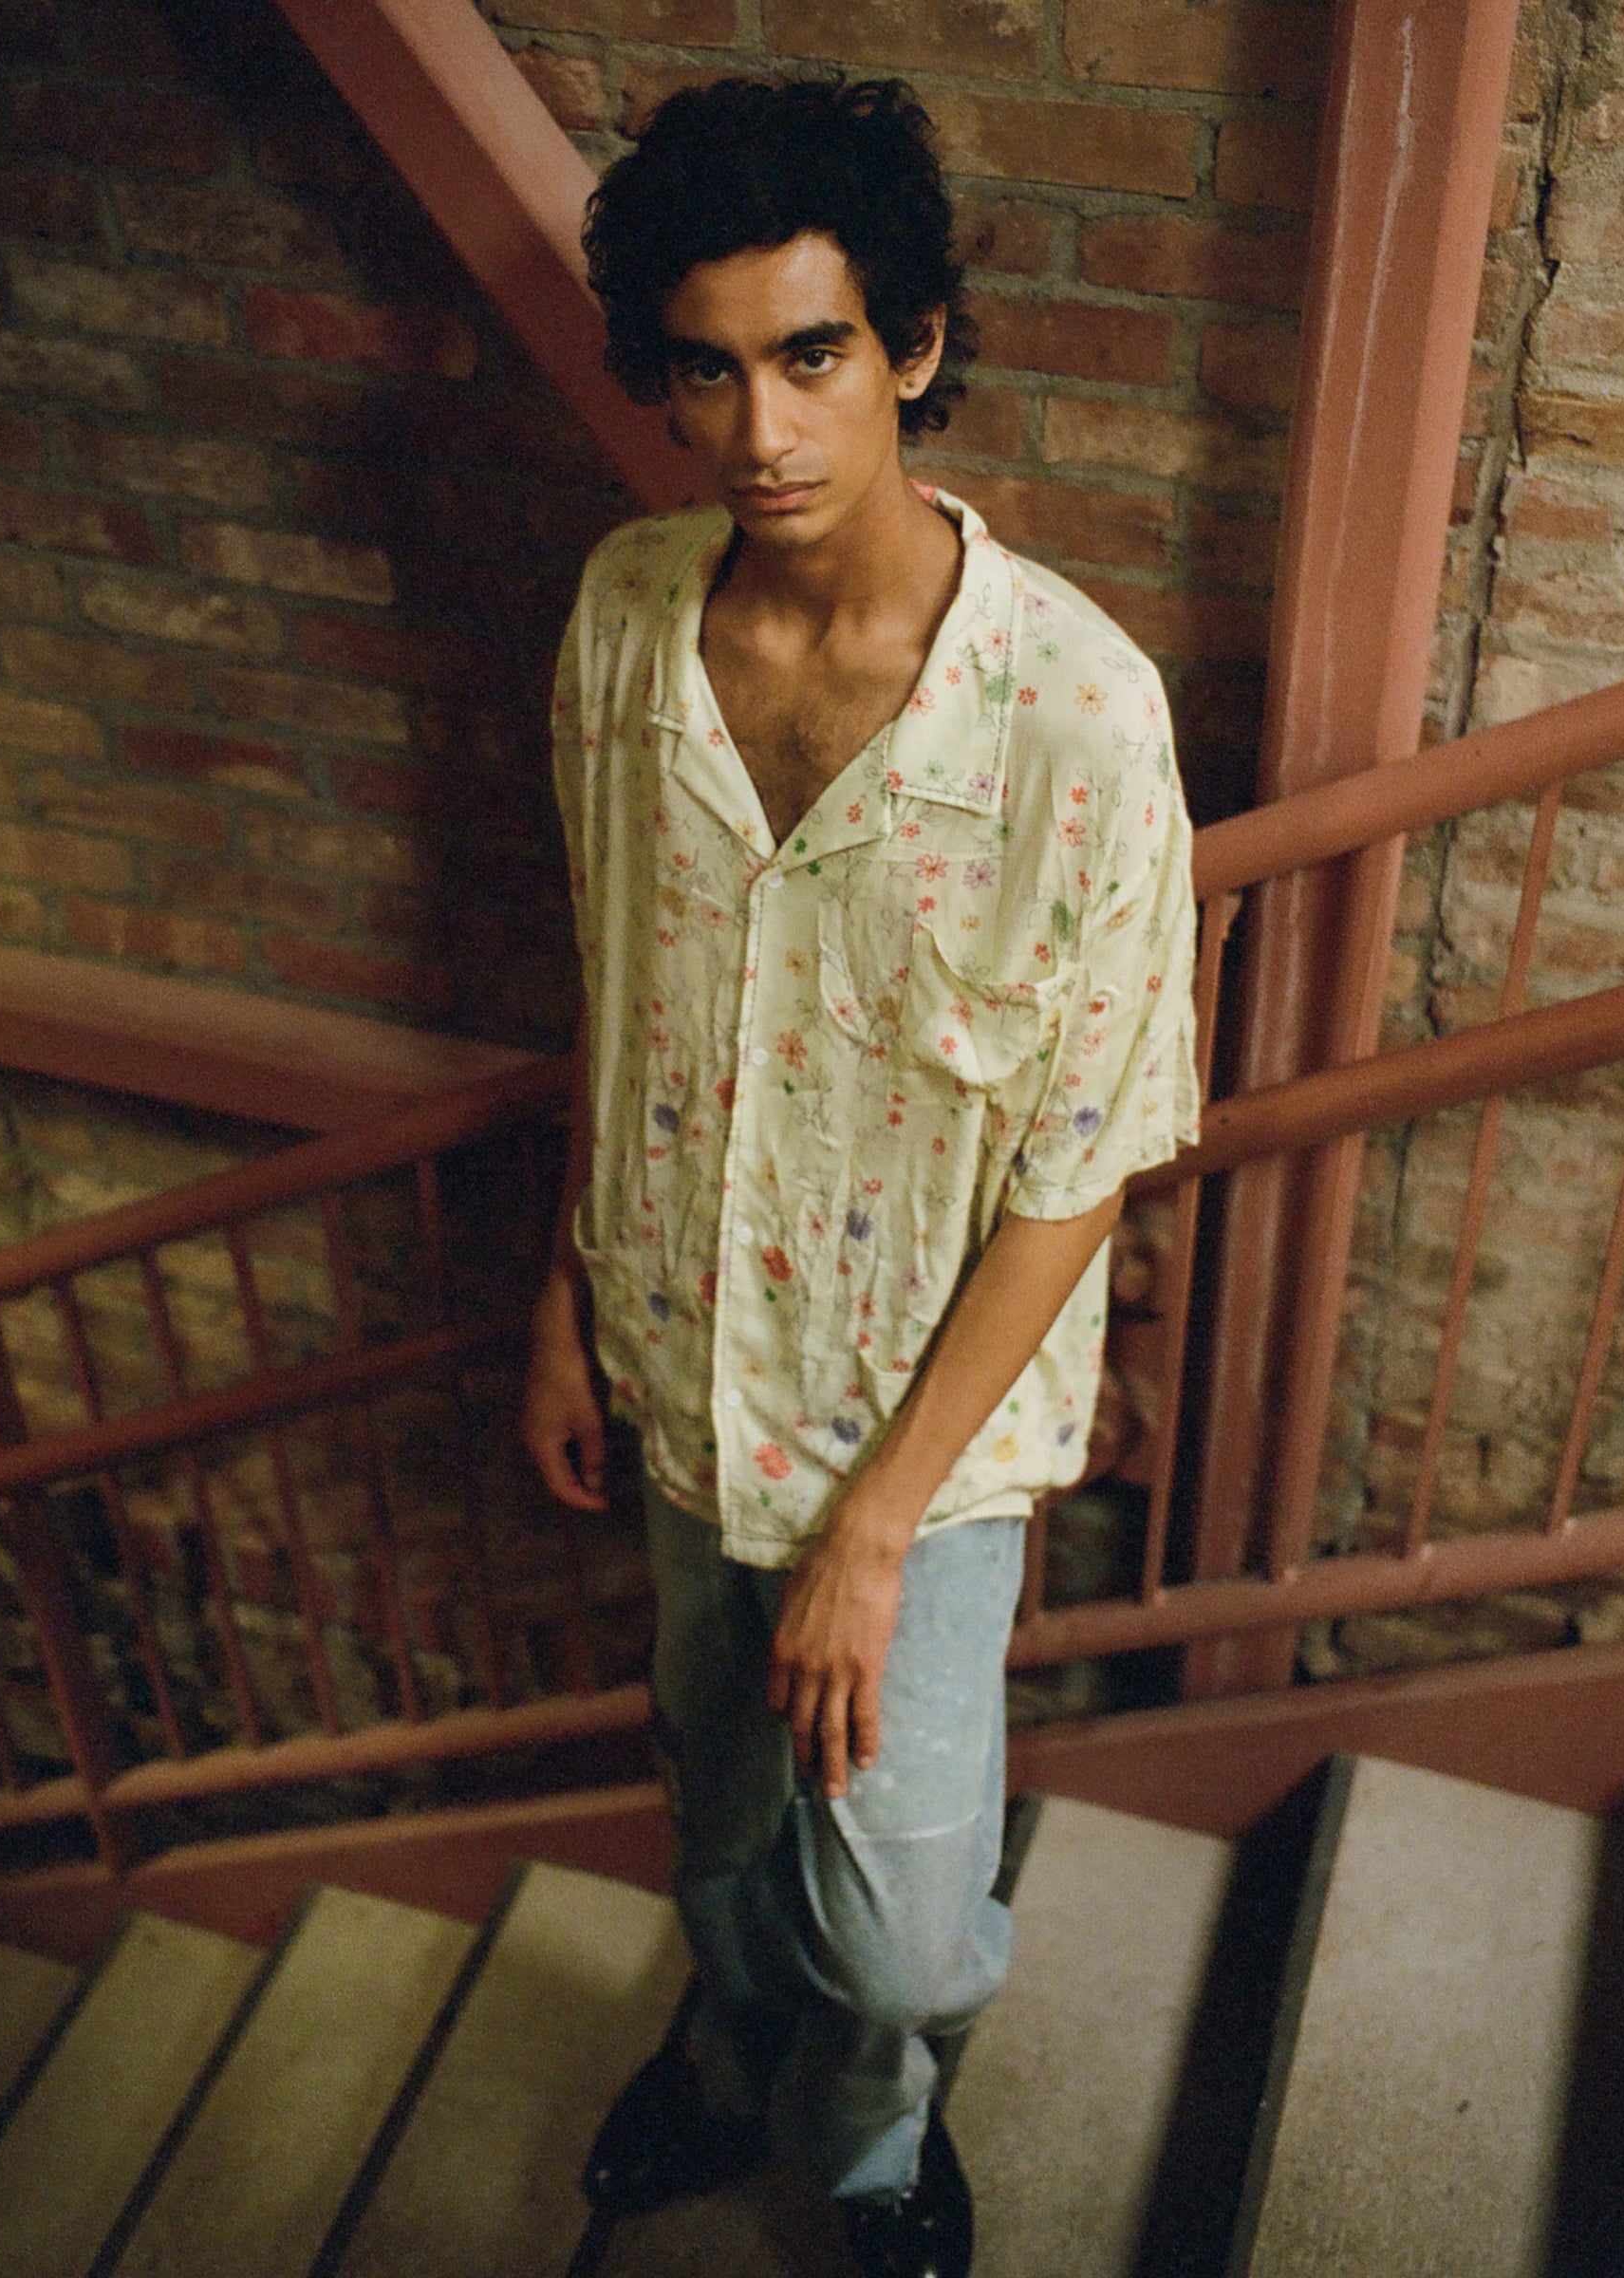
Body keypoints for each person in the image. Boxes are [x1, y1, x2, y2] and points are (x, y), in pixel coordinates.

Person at [521, 75, 1200, 2278]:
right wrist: (563, 1287)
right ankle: (725, 2059)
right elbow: (617, 979)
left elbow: (1085, 1154)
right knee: (717, 1818)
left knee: (899, 1928)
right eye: (706, 372)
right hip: (673, 1359)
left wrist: (880, 1529)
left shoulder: (1078, 715)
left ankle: (877, 2123)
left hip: (923, 1435)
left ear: (908, 345)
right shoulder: (628, 619)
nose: (761, 435)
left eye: (812, 358)